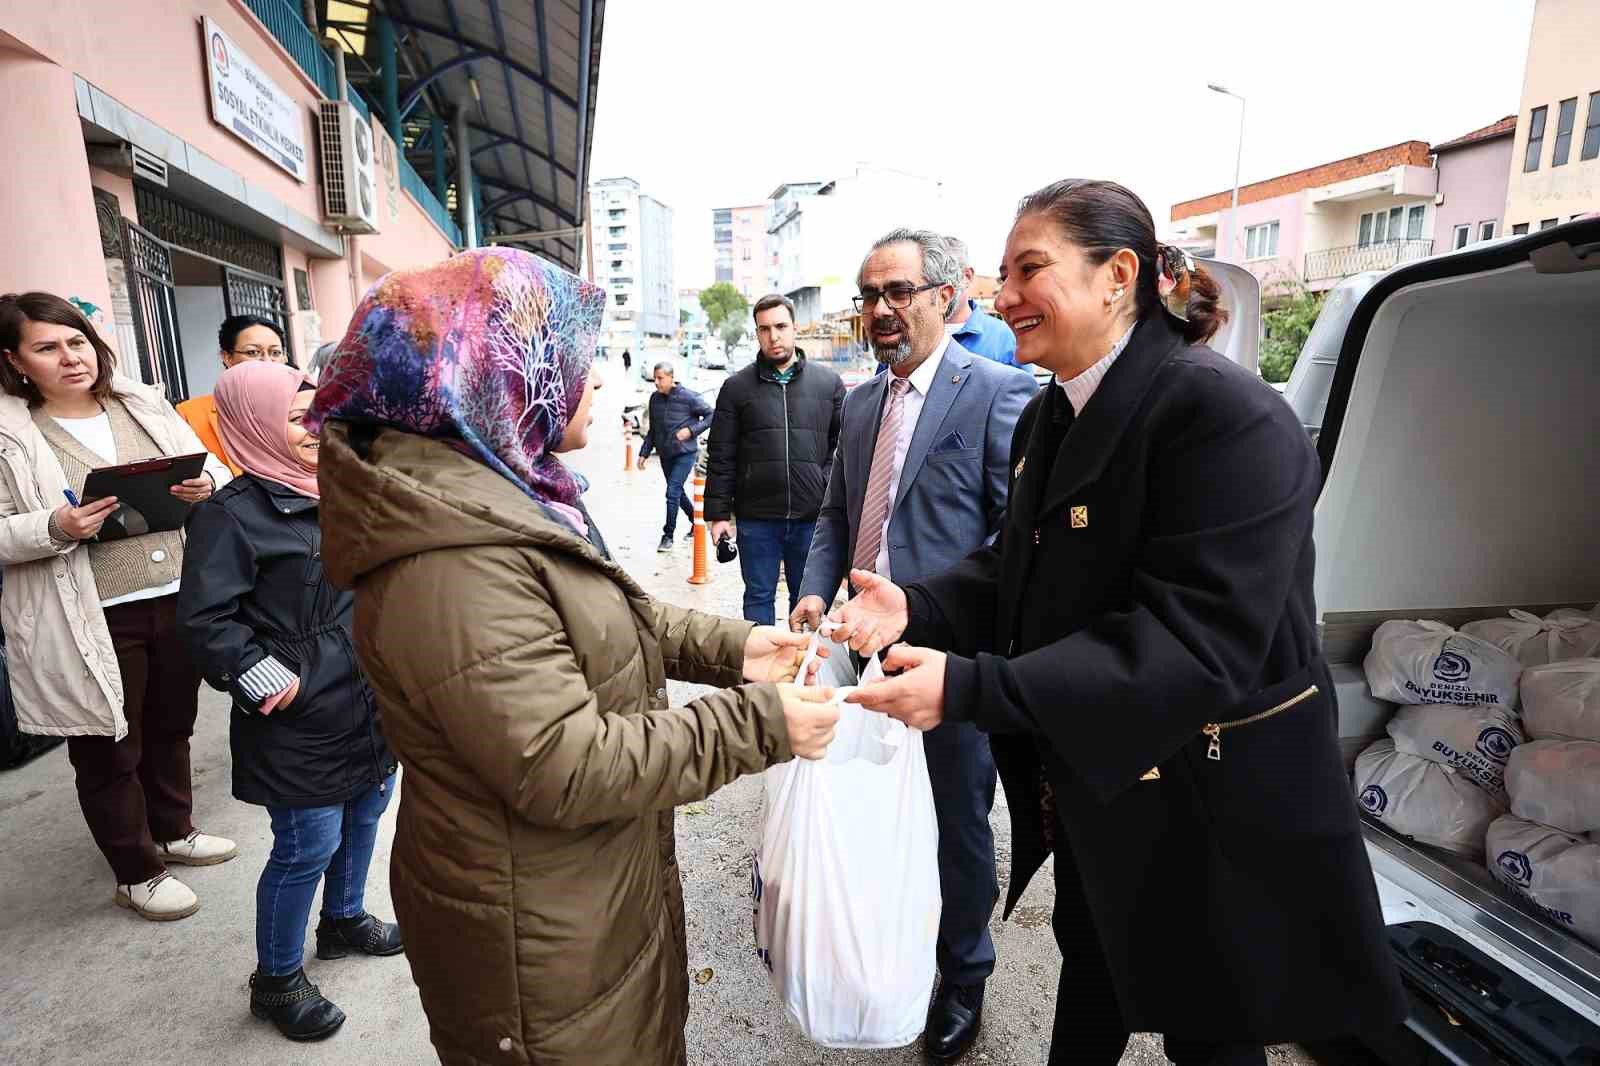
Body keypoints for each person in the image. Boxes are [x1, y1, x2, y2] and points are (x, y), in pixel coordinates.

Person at [831, 181, 1406, 1066]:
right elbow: (1015, 564)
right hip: (1106, 782)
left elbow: (1194, 642)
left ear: (1117, 276)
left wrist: (974, 687)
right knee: (1094, 971)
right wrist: (920, 603)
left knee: (1213, 1027)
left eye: (1032, 270)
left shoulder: (1224, 417)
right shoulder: (1056, 409)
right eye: (1005, 273)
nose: (1005, 296)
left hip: (1216, 798)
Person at [306, 248, 839, 1066]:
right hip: (533, 925)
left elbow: (607, 615)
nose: (595, 381)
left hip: (572, 889)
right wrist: (759, 723)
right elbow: (563, 762)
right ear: (500, 374)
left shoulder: (504, 486)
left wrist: (738, 649)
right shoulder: (452, 560)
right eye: (577, 360)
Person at [790, 228, 1035, 1063]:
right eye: (869, 295)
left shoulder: (999, 393)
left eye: (898, 291)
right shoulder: (859, 404)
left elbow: (1012, 541)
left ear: (944, 295)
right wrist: (817, 590)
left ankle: (963, 973)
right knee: (869, 802)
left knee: (955, 817)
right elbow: (834, 515)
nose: (882, 310)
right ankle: (885, 942)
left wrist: (944, 626)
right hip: (853, 648)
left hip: (940, 658)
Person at [178, 360, 403, 1042]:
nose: (312, 427)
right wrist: (260, 674)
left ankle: (342, 920)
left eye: (317, 412)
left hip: (365, 696)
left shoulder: (338, 486)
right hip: (298, 713)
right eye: (294, 415)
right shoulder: (231, 516)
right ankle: (276, 981)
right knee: (307, 843)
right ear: (250, 425)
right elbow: (206, 621)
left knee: (367, 812)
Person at [0, 291, 236, 921]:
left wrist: (206, 485)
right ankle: (136, 871)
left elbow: (212, 467)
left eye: (76, 340)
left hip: (176, 594)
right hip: (87, 612)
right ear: (15, 360)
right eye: (46, 347)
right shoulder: (10, 434)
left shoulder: (141, 403)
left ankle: (173, 829)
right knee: (108, 745)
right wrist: (53, 525)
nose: (70, 357)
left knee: (171, 724)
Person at [705, 294, 844, 624]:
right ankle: (761, 672)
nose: (774, 336)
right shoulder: (736, 388)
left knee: (806, 601)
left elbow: (842, 448)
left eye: (781, 326)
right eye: (764, 329)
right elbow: (721, 454)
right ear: (757, 333)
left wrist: (823, 487)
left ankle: (799, 667)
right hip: (756, 517)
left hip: (811, 517)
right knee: (758, 596)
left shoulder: (828, 384)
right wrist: (718, 514)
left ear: (795, 328)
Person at [176, 314, 290, 475]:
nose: (267, 361)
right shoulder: (190, 414)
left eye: (275, 353)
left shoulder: (305, 409)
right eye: (252, 352)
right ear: (227, 357)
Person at [635, 361, 713, 552]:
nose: (656, 382)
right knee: (676, 492)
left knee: (672, 492)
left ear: (671, 378)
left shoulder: (688, 397)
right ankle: (696, 521)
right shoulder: (654, 399)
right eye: (655, 378)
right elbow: (654, 430)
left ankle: (668, 535)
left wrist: (691, 431)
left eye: (660, 378)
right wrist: (644, 453)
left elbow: (712, 414)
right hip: (665, 453)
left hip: (685, 453)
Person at [943, 236, 1018, 366]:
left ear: (967, 276)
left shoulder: (1003, 337)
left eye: (944, 276)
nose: (938, 289)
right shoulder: (915, 337)